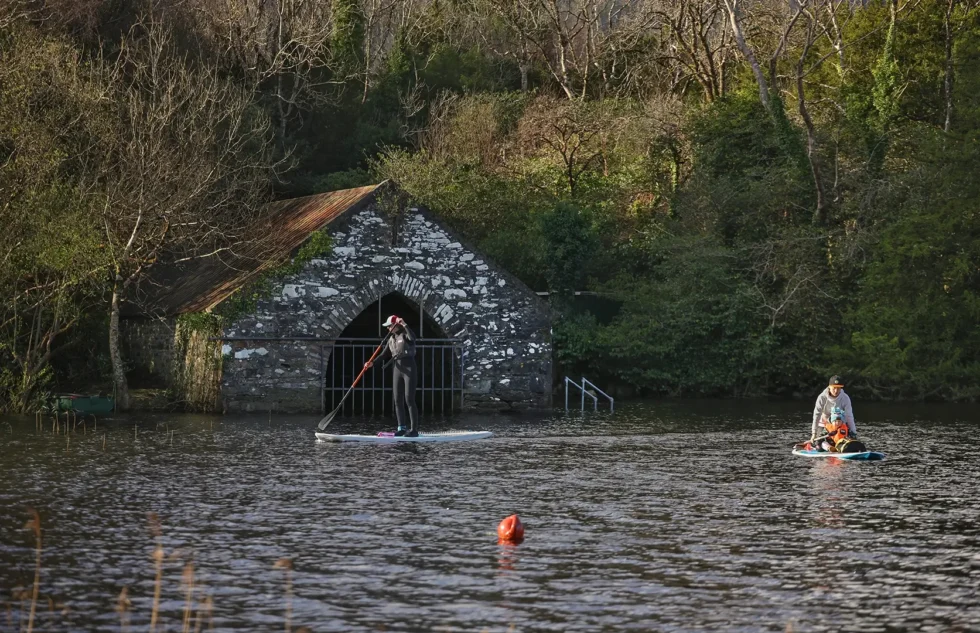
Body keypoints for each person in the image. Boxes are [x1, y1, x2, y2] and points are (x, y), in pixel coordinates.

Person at [365, 315, 419, 437]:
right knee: (398, 399)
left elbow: (413, 339)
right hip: (397, 369)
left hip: (409, 367)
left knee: (409, 399)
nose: (388, 328)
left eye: (390, 326)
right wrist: (371, 363)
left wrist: (405, 324)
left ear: (396, 326)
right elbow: (383, 355)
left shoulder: (405, 334)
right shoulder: (391, 339)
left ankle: (414, 430)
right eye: (388, 326)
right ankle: (401, 428)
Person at [810, 375, 856, 449]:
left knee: (848, 438)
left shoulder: (845, 398)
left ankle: (841, 445)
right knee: (818, 444)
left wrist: (854, 433)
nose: (836, 391)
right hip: (824, 424)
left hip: (839, 424)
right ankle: (826, 447)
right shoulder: (822, 397)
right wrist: (814, 433)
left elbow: (849, 416)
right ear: (829, 386)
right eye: (834, 388)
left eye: (838, 388)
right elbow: (817, 415)